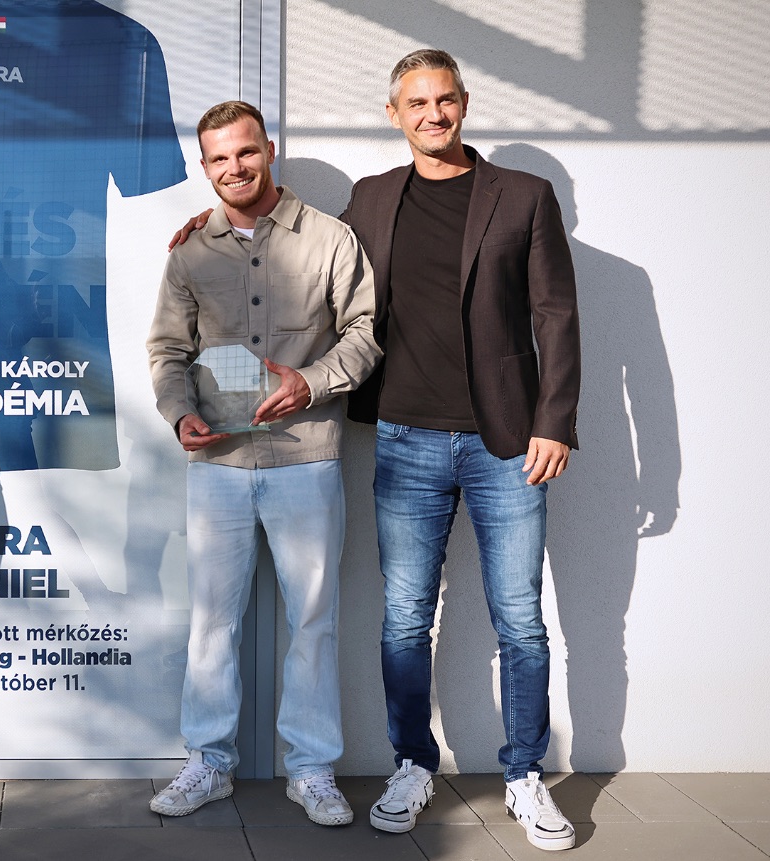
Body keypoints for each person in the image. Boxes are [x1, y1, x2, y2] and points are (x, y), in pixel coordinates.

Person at [342, 50, 580, 851]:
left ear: (465, 104)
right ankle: (412, 764)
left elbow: (556, 314)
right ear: (394, 114)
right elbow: (314, 264)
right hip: (405, 435)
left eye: (444, 100)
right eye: (417, 103)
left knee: (520, 619)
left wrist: (555, 420)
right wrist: (217, 225)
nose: (433, 114)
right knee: (405, 619)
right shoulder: (371, 198)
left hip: (505, 442)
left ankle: (524, 774)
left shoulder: (524, 195)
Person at [146, 100, 380, 825]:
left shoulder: (331, 239)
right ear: (205, 166)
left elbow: (365, 332)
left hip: (307, 458)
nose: (235, 167)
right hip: (218, 463)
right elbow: (168, 350)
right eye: (219, 158)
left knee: (313, 619)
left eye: (245, 151)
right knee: (211, 622)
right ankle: (208, 763)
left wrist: (311, 382)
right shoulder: (189, 252)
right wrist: (178, 412)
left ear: (269, 149)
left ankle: (311, 770)